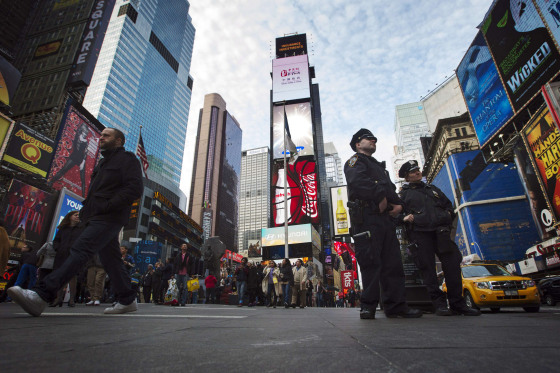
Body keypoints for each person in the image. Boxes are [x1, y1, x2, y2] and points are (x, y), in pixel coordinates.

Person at [9, 127, 143, 316]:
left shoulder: (128, 159)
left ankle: (41, 295)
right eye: (101, 134)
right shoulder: (102, 164)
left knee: (81, 249)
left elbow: (134, 188)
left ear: (119, 141)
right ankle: (127, 299)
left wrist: (108, 205)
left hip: (110, 216)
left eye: (106, 135)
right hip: (95, 216)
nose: (101, 137)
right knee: (111, 259)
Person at [344, 128, 422, 319]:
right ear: (357, 144)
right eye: (368, 139)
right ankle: (368, 306)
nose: (373, 141)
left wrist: (399, 206)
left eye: (375, 139)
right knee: (370, 262)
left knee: (393, 263)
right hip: (367, 217)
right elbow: (358, 182)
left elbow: (391, 191)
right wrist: (380, 196)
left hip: (385, 219)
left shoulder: (379, 167)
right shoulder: (355, 161)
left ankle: (396, 305)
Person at [398, 160, 481, 316]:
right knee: (428, 269)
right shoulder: (403, 194)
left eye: (418, 170)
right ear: (407, 177)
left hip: (441, 233)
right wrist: (404, 218)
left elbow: (449, 206)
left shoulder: (432, 189)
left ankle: (458, 303)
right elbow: (396, 214)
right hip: (420, 234)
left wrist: (447, 215)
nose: (417, 172)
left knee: (453, 267)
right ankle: (439, 304)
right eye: (413, 172)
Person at [50, 211, 83, 307]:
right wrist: (58, 248)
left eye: (78, 216)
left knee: (72, 277)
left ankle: (71, 299)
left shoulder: (81, 229)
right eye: (75, 215)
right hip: (61, 255)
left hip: (74, 255)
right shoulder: (63, 229)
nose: (77, 217)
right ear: (69, 216)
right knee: (60, 277)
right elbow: (56, 240)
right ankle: (58, 298)